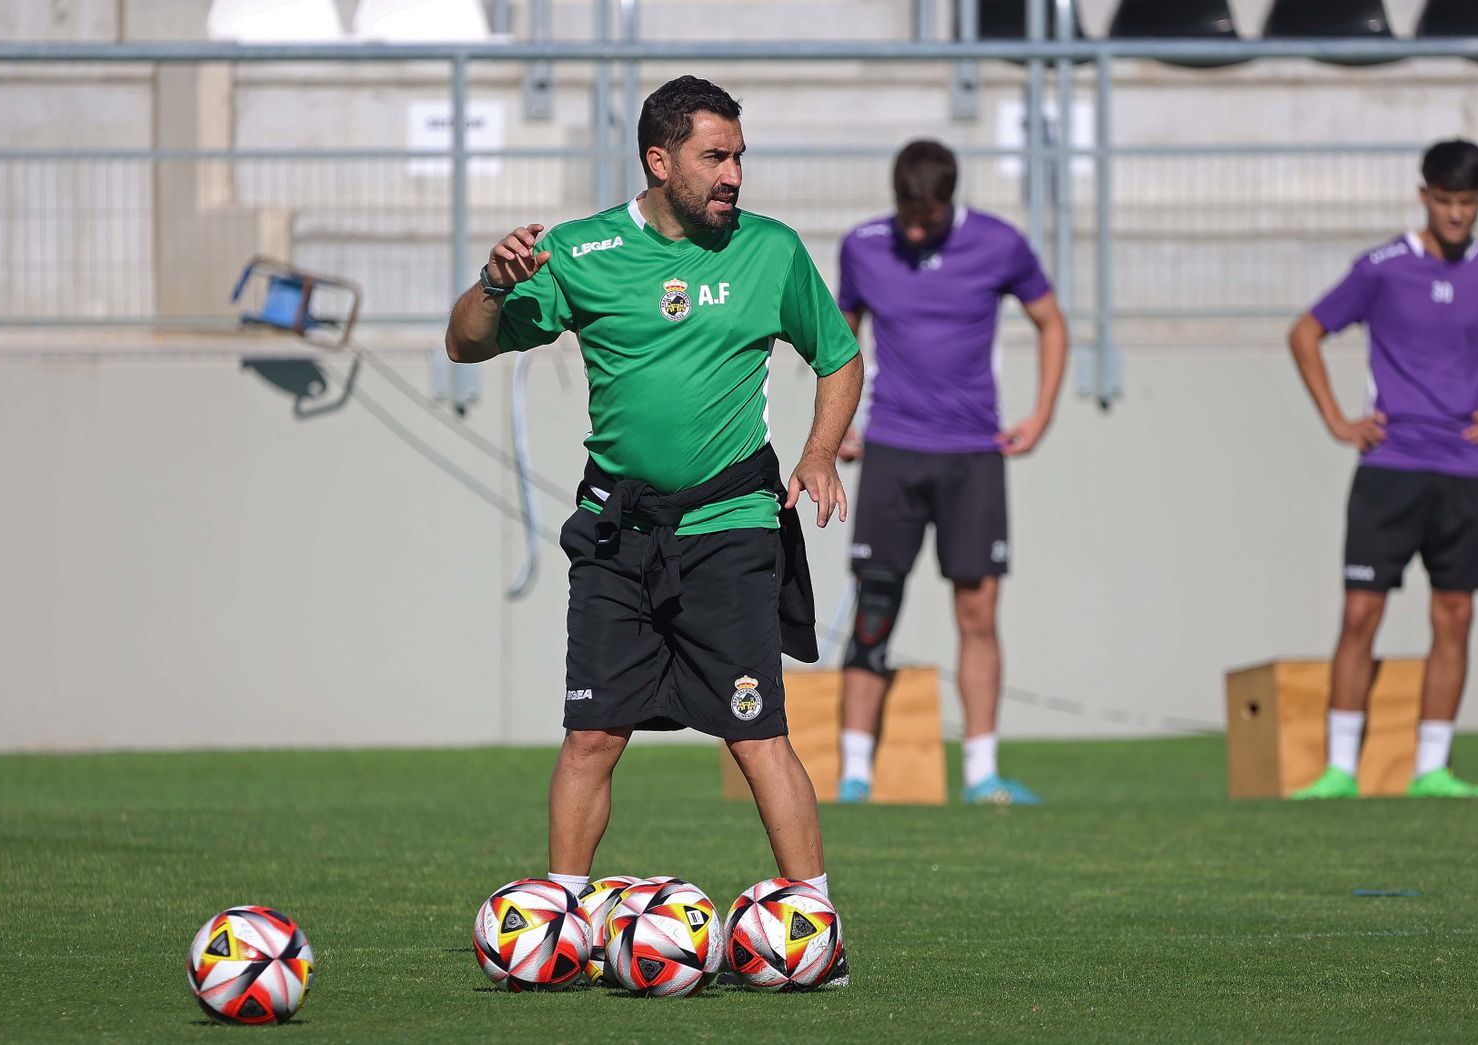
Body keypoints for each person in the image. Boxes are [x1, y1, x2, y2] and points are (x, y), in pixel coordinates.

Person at [444, 76, 863, 964]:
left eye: (740, 156)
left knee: (757, 735)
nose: (734, 176)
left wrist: (819, 452)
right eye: (716, 157)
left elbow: (840, 356)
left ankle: (815, 928)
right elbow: (466, 340)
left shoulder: (771, 253)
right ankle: (555, 931)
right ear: (659, 160)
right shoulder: (580, 251)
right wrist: (490, 282)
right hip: (617, 536)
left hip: (732, 525)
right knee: (591, 734)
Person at [1289, 139, 1478, 800]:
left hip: (1462, 471)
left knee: (1454, 615)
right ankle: (1340, 766)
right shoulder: (1382, 268)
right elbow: (1305, 332)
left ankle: (1433, 767)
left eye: (1468, 202)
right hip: (1389, 467)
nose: (1456, 214)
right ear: (1424, 195)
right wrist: (1339, 419)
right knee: (1361, 610)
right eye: (1445, 200)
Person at [832, 139, 1068, 806]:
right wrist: (836, 429)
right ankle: (854, 775)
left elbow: (1052, 323)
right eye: (905, 214)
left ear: (950, 201)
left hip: (972, 455)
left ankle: (982, 774)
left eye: (926, 218)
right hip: (892, 450)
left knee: (978, 612)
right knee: (874, 613)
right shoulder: (863, 246)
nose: (913, 230)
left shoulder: (1000, 244)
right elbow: (839, 338)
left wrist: (1041, 413)